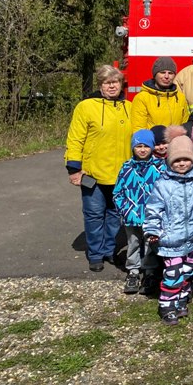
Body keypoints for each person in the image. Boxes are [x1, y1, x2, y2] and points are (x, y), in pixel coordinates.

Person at [65, 65, 132, 272]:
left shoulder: (129, 108)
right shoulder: (86, 107)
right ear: (100, 85)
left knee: (114, 215)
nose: (112, 86)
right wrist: (74, 168)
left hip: (121, 174)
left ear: (121, 85)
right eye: (107, 82)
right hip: (92, 172)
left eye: (116, 82)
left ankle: (109, 251)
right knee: (94, 214)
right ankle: (95, 254)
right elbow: (75, 138)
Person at [144, 134, 193, 325]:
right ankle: (167, 304)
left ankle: (181, 300)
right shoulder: (163, 185)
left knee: (187, 272)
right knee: (173, 274)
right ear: (170, 161)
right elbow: (153, 210)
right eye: (177, 160)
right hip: (170, 240)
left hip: (192, 239)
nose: (182, 164)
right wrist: (153, 231)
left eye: (186, 160)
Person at [112, 129, 165, 295]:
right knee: (133, 243)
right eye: (139, 146)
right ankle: (133, 272)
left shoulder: (159, 168)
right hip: (131, 216)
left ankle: (150, 273)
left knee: (151, 245)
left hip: (152, 217)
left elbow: (165, 191)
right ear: (133, 148)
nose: (142, 150)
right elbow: (118, 193)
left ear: (152, 147)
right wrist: (125, 210)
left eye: (146, 146)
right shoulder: (127, 167)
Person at [131, 57, 190, 131]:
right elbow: (138, 129)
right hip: (153, 142)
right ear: (155, 75)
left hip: (175, 141)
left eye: (170, 73)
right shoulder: (142, 98)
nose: (166, 76)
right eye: (162, 72)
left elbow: (184, 126)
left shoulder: (180, 97)